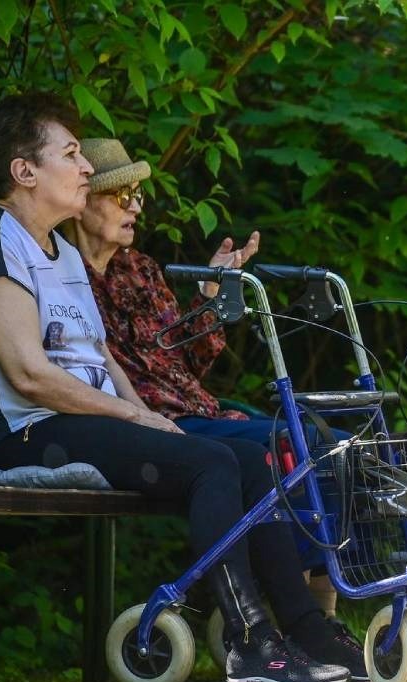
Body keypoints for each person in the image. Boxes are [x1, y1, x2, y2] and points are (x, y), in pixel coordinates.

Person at [0, 92, 365, 682]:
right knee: (210, 465)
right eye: (71, 154)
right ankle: (251, 643)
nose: (87, 168)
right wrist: (132, 416)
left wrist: (146, 414)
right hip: (19, 432)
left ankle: (309, 629)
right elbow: (29, 374)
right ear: (24, 172)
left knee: (251, 459)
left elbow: (98, 356)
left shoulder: (60, 250)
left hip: (77, 421)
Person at [64, 137, 342, 617]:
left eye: (139, 194)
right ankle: (302, 612)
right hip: (152, 426)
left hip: (201, 411)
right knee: (295, 444)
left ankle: (323, 605)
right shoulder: (61, 277)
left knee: (329, 440)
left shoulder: (143, 270)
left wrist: (212, 291)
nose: (136, 205)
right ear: (80, 202)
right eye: (121, 195)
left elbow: (185, 364)